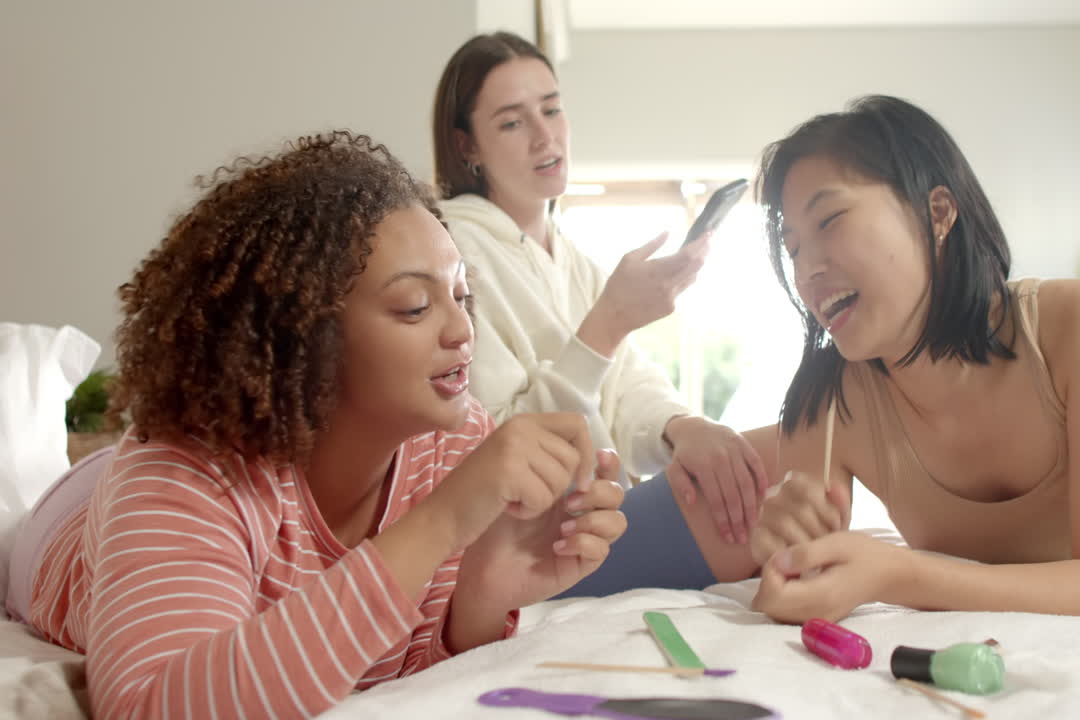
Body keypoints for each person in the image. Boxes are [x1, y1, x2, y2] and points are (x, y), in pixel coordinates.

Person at [3, 131, 625, 719]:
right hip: (69, 520)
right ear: (302, 336)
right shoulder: (185, 467)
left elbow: (401, 666)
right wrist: (439, 524)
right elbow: (151, 704)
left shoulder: (455, 445)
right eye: (415, 305)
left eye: (461, 297)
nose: (462, 331)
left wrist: (481, 599)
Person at [743, 95, 1080, 623]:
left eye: (830, 220)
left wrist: (897, 574)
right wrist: (785, 548)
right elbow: (799, 583)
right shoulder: (829, 406)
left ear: (937, 213)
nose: (807, 268)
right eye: (792, 248)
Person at [430, 32, 764, 592]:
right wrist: (607, 324)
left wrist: (684, 428)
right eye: (513, 123)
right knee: (787, 463)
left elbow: (629, 387)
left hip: (604, 514)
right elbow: (495, 448)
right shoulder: (452, 250)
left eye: (553, 109)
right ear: (468, 147)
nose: (545, 136)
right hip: (540, 546)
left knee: (765, 467)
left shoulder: (573, 259)